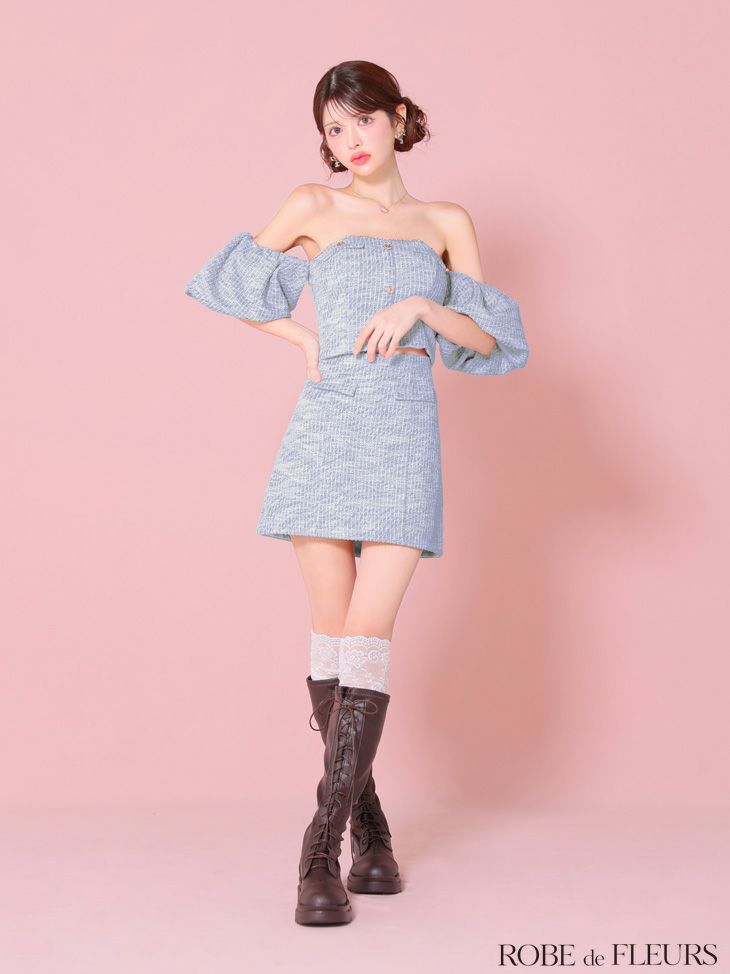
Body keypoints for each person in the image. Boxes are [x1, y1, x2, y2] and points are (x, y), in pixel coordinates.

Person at [184, 59, 529, 926]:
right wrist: (303, 341)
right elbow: (224, 284)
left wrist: (422, 307)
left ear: (399, 117)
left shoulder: (445, 221)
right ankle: (366, 835)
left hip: (405, 435)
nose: (349, 142)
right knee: (335, 642)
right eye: (333, 130)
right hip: (325, 432)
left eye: (362, 121)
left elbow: (489, 339)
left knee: (367, 640)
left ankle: (318, 846)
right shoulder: (312, 204)